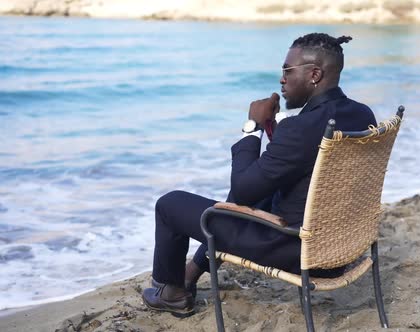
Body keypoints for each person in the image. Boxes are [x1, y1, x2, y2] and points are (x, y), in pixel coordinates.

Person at [142, 32, 377, 316]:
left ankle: (172, 292)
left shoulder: (301, 128)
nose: (282, 79)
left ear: (314, 74)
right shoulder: (362, 114)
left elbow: (242, 189)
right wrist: (274, 127)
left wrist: (252, 126)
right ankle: (191, 273)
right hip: (339, 246)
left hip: (293, 247)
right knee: (255, 189)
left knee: (170, 204)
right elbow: (295, 161)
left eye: (287, 71)